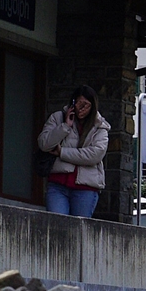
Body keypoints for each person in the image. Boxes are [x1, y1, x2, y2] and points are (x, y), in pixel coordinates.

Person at [38, 84, 110, 218]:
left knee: (78, 229)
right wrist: (65, 126)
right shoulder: (57, 118)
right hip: (58, 184)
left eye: (86, 105)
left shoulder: (100, 127)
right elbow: (44, 144)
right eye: (79, 103)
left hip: (85, 188)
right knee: (56, 224)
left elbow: (94, 155)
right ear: (73, 102)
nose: (81, 109)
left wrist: (62, 152)